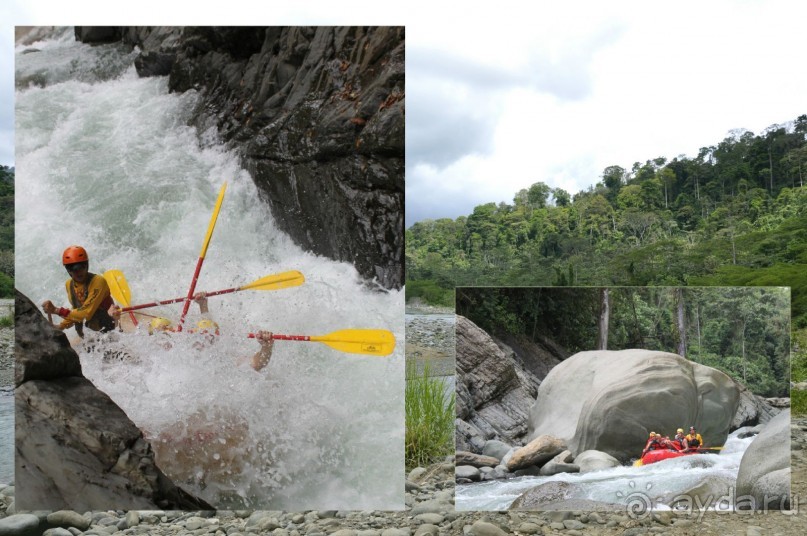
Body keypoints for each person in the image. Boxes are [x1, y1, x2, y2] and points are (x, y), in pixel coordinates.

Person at [41, 245, 116, 337]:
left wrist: (56, 310)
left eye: (81, 266)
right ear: (68, 270)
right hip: (89, 336)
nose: (78, 271)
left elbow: (86, 313)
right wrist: (61, 326)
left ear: (87, 265)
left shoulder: (98, 281)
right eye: (72, 268)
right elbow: (76, 312)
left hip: (109, 333)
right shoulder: (69, 284)